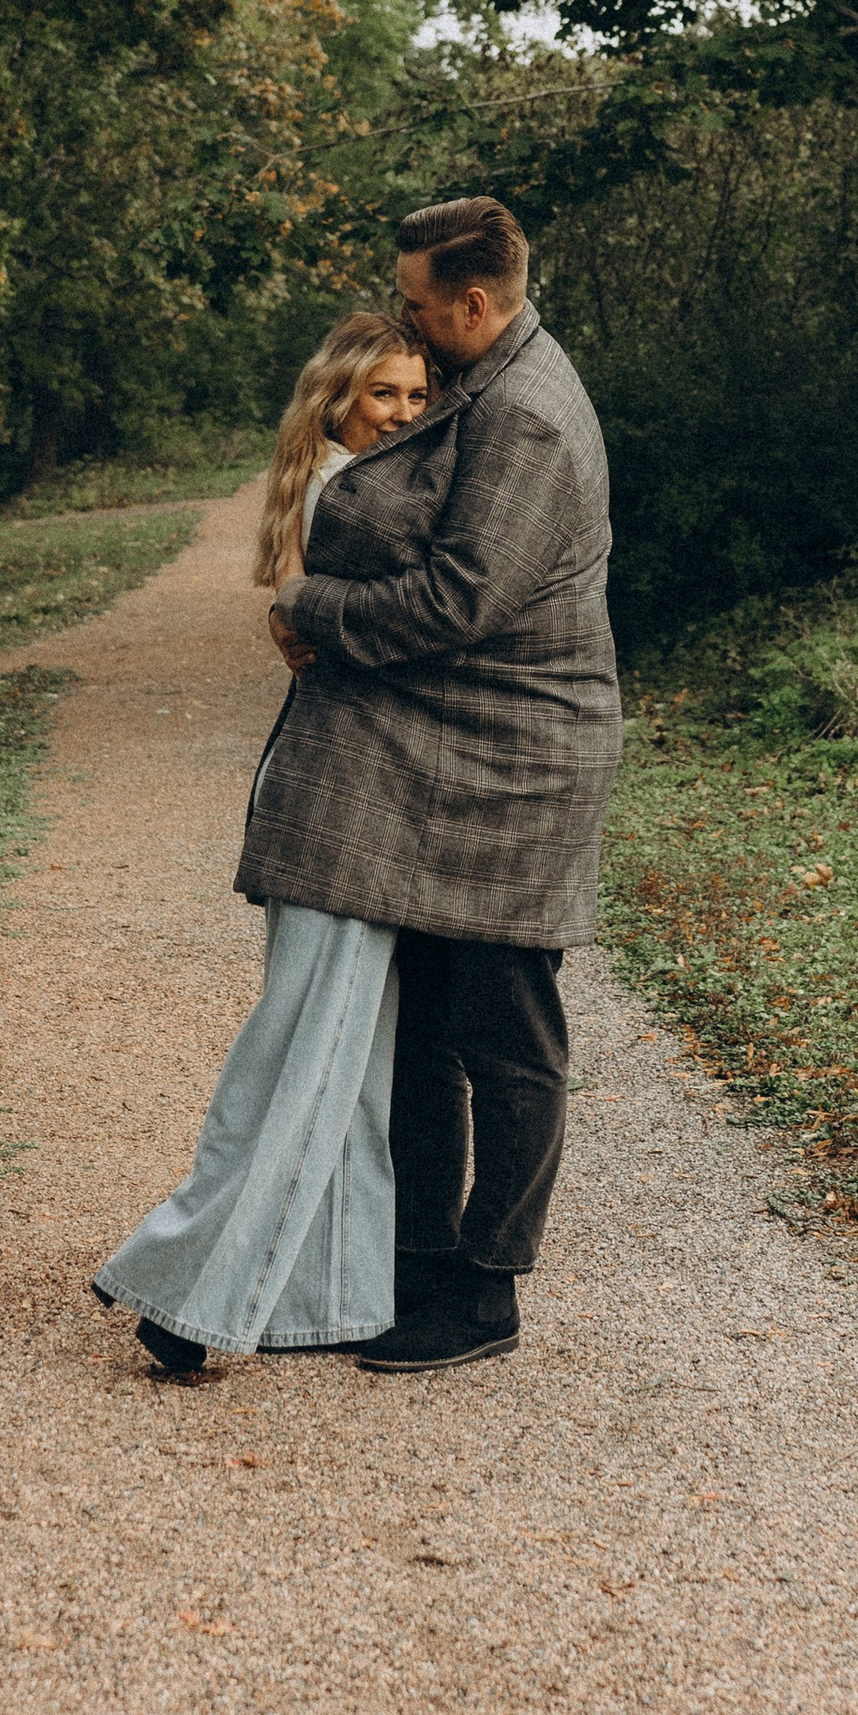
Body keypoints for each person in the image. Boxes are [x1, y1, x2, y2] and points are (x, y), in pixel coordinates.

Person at [248, 192, 620, 1376]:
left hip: (519, 762)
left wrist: (312, 607)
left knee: (506, 1032)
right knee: (418, 1034)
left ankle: (488, 1288)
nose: (401, 319)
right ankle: (402, 1266)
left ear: (472, 302)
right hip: (439, 747)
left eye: (415, 303)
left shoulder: (529, 418)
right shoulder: (476, 380)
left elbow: (460, 598)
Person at [91, 313, 431, 1380]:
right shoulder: (353, 495)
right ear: (337, 399)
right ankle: (180, 1292)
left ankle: (326, 1297)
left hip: (334, 794)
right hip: (343, 807)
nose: (407, 415)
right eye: (386, 395)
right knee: (314, 1053)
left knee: (345, 1058)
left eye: (420, 397)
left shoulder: (326, 483)